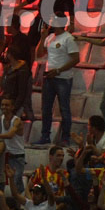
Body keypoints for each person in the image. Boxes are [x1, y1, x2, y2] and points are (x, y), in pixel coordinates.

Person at [35, 13, 79, 145]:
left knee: (64, 108)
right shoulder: (50, 37)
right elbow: (39, 53)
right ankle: (45, 136)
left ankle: (65, 138)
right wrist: (42, 37)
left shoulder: (68, 39)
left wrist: (59, 70)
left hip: (62, 78)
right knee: (46, 108)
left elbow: (76, 59)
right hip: (49, 77)